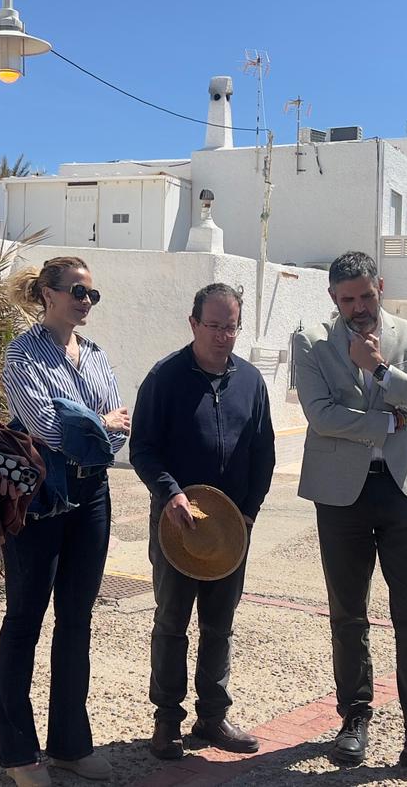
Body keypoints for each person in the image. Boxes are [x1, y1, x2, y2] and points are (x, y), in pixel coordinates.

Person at [290, 250, 407, 787]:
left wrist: (379, 368)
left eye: (365, 295)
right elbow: (320, 415)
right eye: (346, 299)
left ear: (380, 286)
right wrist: (394, 420)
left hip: (406, 492)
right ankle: (354, 717)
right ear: (333, 298)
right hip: (341, 495)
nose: (357, 307)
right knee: (348, 614)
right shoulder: (311, 341)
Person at [0, 256, 130, 786]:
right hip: (43, 494)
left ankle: (71, 745)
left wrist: (92, 425)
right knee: (24, 618)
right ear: (47, 294)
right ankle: (18, 754)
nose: (85, 301)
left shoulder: (94, 354)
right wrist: (97, 422)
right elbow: (45, 427)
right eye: (77, 291)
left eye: (92, 294)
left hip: (93, 491)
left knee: (77, 618)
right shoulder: (23, 352)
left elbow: (119, 430)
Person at [130, 283, 276, 761]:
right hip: (176, 525)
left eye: (230, 327)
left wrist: (249, 512)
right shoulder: (165, 378)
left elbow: (263, 451)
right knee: (172, 622)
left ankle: (213, 717)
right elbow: (142, 449)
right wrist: (169, 492)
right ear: (193, 323)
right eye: (213, 326)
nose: (222, 336)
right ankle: (166, 720)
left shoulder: (251, 381)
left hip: (231, 530)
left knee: (220, 625)